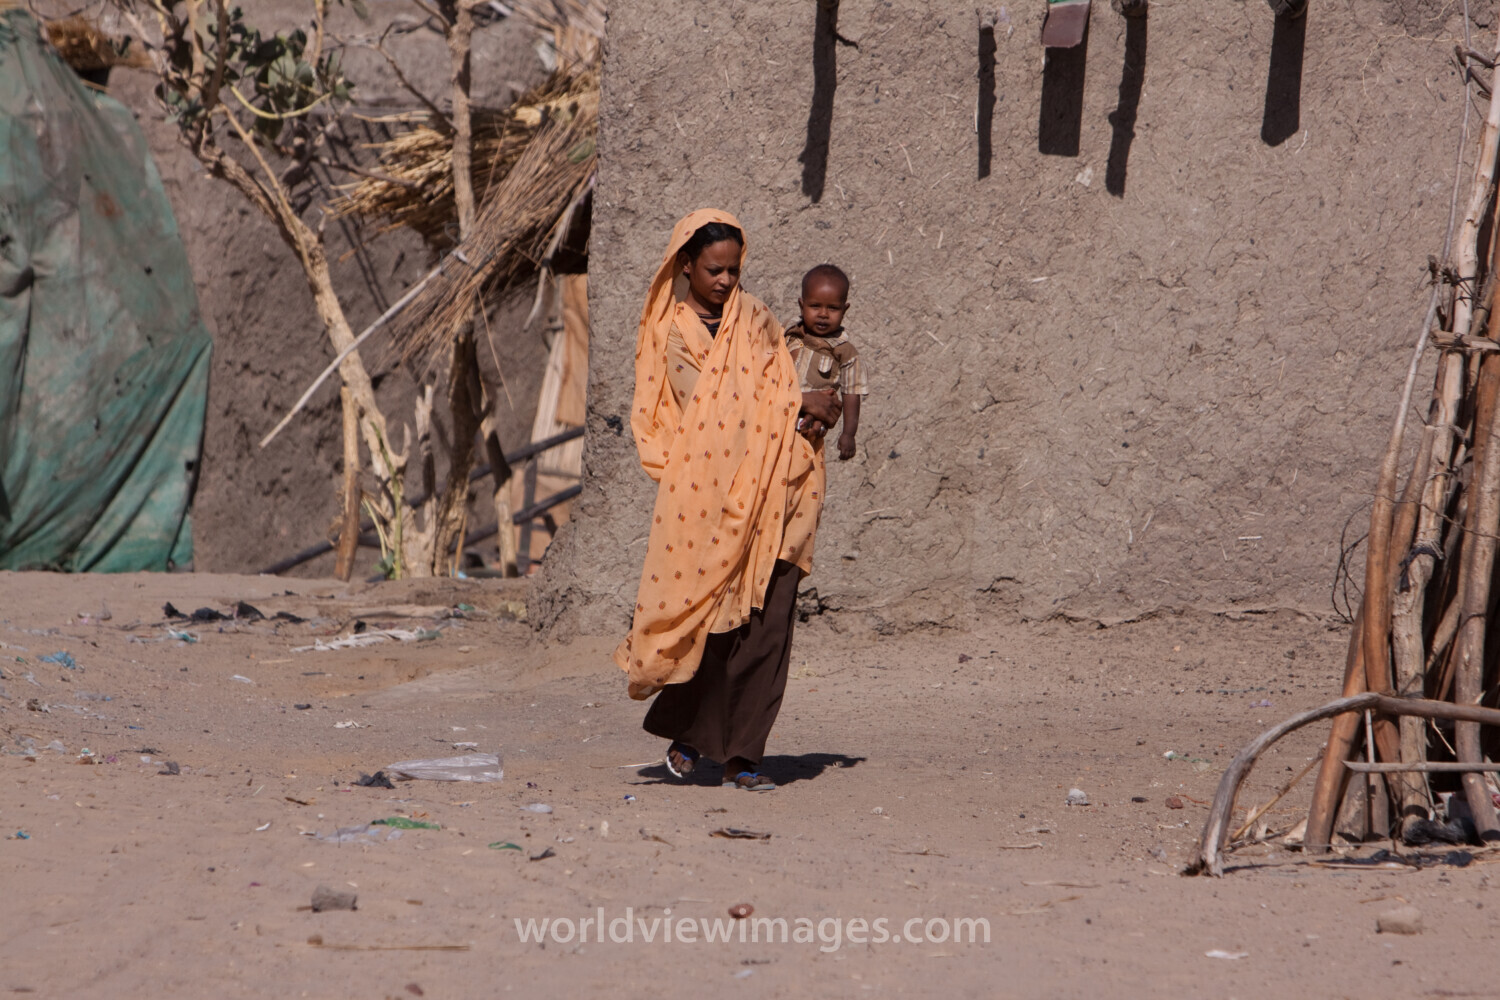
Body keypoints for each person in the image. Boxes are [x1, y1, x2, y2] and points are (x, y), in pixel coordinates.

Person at [614, 209, 839, 792]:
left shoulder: (759, 320)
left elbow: (783, 385)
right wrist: (800, 405)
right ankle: (690, 734)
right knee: (715, 625)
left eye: (734, 270)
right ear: (685, 265)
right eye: (714, 269)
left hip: (783, 490)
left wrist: (815, 407)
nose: (725, 281)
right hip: (708, 499)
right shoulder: (672, 335)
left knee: (768, 629)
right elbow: (715, 417)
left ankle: (744, 757)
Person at [785, 264, 868, 461]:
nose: (823, 314)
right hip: (778, 413)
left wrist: (849, 433)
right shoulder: (788, 334)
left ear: (844, 310)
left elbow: (851, 393)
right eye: (815, 306)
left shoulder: (845, 353)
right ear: (801, 305)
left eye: (832, 308)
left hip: (808, 425)